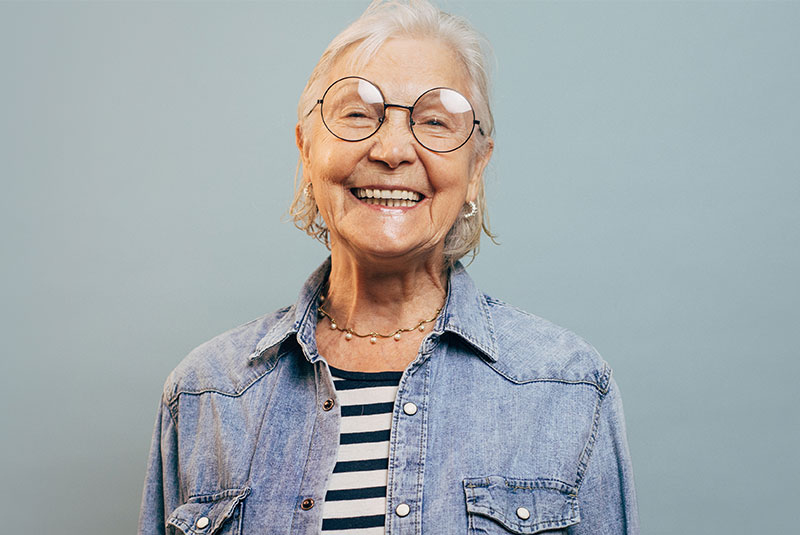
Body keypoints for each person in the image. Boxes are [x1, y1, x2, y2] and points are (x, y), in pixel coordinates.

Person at [138, 1, 639, 533]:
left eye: (435, 121)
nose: (393, 149)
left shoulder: (568, 386)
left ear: (476, 167)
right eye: (357, 114)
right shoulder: (205, 394)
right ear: (306, 150)